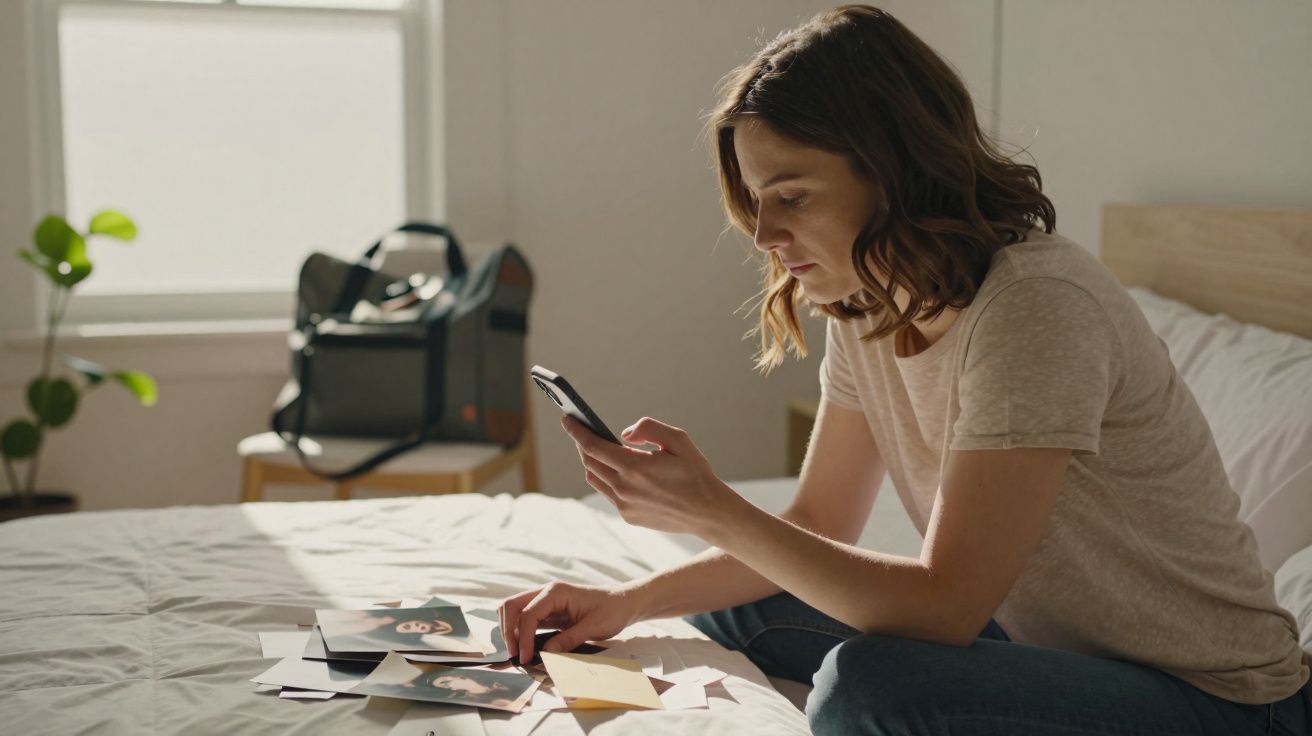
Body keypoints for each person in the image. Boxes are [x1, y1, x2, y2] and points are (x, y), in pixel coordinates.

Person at [499, 5, 1310, 734]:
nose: (763, 235)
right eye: (756, 201)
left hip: (1220, 699)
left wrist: (715, 509)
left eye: (792, 196)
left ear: (890, 170)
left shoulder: (1036, 305)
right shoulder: (869, 304)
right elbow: (818, 521)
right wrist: (626, 602)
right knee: (753, 607)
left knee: (869, 686)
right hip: (1041, 642)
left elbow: (948, 607)